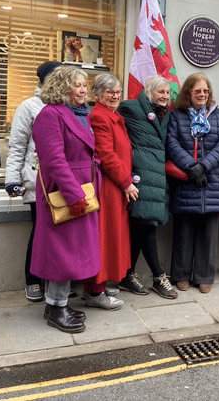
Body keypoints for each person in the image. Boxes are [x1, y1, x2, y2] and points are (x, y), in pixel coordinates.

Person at [31, 66, 102, 333]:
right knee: (62, 253)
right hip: (63, 192)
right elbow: (54, 161)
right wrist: (75, 194)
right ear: (62, 88)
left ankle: (56, 304)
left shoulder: (78, 113)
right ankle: (56, 309)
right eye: (78, 85)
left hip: (80, 188)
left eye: (85, 85)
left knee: (70, 251)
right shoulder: (50, 115)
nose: (83, 90)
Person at [167, 74, 219, 294]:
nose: (202, 95)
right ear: (188, 93)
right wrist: (192, 168)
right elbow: (172, 143)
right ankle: (181, 275)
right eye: (197, 91)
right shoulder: (177, 116)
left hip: (212, 183)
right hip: (186, 182)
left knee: (208, 234)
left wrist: (203, 166)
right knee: (184, 232)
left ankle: (204, 276)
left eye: (205, 91)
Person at [117, 75, 178, 299]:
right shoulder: (130, 109)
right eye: (160, 92)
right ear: (148, 92)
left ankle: (127, 274)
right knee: (146, 225)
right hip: (140, 177)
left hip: (158, 178)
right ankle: (159, 276)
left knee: (140, 227)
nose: (164, 96)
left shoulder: (167, 114)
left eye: (167, 93)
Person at [5, 60, 61, 302]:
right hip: (36, 179)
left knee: (61, 233)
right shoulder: (29, 107)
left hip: (61, 180)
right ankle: (33, 279)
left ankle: (58, 279)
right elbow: (16, 146)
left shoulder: (67, 106)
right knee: (40, 231)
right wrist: (12, 180)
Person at [83, 73, 133, 310]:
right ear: (96, 95)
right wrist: (126, 181)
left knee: (111, 238)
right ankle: (95, 290)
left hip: (115, 186)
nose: (115, 95)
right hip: (108, 187)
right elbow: (106, 155)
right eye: (109, 91)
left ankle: (101, 285)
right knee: (104, 239)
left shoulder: (112, 115)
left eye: (118, 91)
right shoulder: (99, 117)